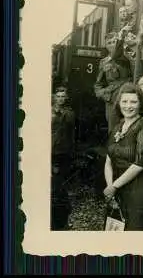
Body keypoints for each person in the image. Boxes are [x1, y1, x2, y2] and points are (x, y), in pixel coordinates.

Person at [103, 82, 143, 230]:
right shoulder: (118, 127)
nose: (128, 106)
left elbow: (139, 164)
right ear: (119, 103)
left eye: (133, 101)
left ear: (140, 104)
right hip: (115, 186)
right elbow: (108, 160)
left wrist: (114, 186)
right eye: (124, 101)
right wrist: (109, 186)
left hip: (136, 187)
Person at [94, 31, 132, 133]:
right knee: (113, 130)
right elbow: (98, 84)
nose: (112, 44)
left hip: (127, 95)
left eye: (114, 41)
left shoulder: (126, 57)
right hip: (112, 100)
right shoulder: (104, 62)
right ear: (106, 46)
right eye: (109, 43)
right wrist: (105, 95)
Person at [51, 85, 76, 230]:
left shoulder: (69, 112)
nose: (60, 99)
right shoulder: (49, 110)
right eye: (58, 96)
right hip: (52, 147)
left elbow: (69, 125)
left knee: (61, 174)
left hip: (63, 148)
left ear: (66, 98)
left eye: (63, 96)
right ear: (54, 96)